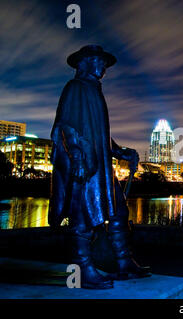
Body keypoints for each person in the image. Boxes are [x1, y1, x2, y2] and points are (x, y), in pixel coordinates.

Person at [49, 45, 150, 289]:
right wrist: (76, 158)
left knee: (118, 211)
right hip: (85, 165)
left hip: (101, 167)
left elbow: (100, 136)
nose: (103, 67)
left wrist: (119, 150)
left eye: (104, 62)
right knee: (81, 218)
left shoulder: (95, 91)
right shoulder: (75, 88)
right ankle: (82, 268)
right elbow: (66, 127)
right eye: (99, 61)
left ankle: (123, 263)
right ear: (84, 63)